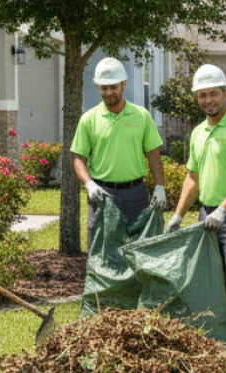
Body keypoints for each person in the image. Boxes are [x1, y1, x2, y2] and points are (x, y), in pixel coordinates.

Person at [166, 64, 226, 350]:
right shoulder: (197, 132)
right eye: (202, 95)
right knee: (210, 283)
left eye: (214, 94)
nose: (208, 100)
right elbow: (192, 178)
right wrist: (178, 215)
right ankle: (219, 341)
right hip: (205, 215)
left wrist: (223, 210)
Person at [71, 57, 167, 249]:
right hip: (102, 194)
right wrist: (89, 183)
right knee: (100, 249)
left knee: (138, 249)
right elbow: (78, 158)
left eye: (113, 87)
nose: (109, 92)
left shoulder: (141, 116)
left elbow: (153, 156)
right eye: (104, 88)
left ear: (123, 85)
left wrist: (159, 186)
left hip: (135, 194)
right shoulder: (89, 119)